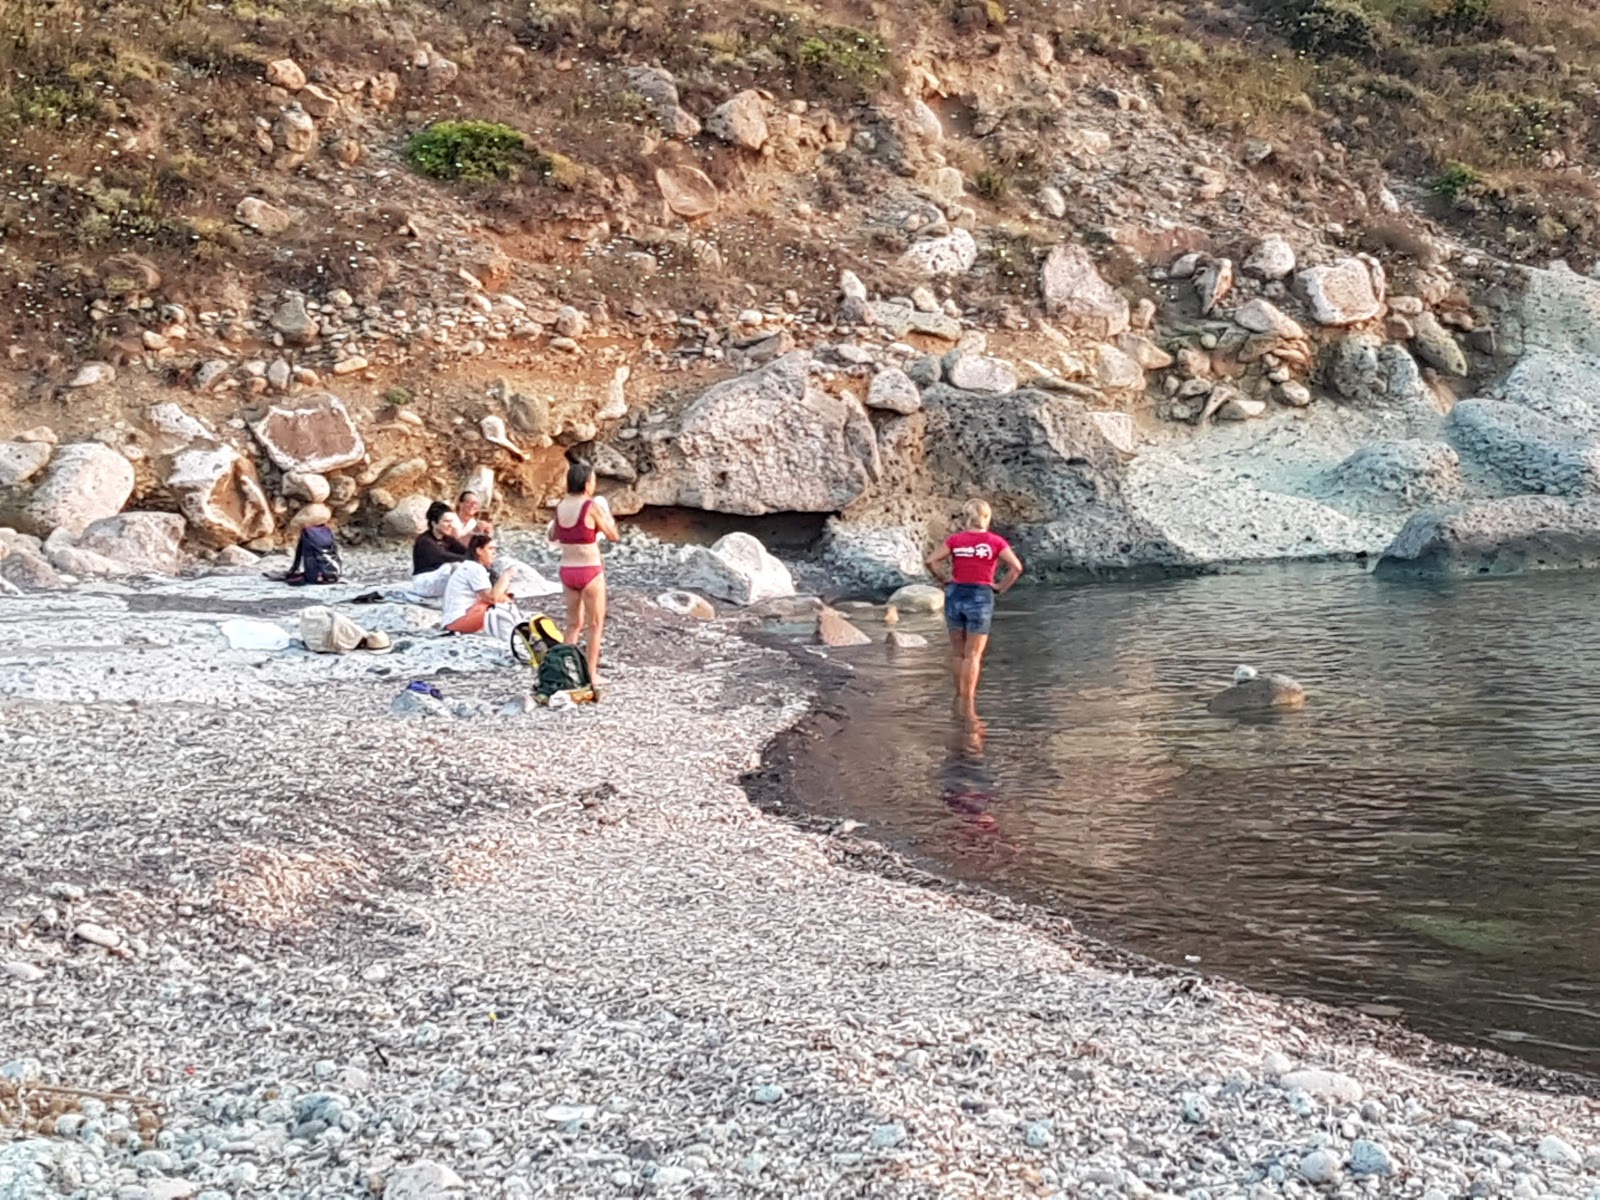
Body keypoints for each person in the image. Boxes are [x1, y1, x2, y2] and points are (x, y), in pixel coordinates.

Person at [924, 498, 1023, 719]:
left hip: (955, 593)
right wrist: (999, 587)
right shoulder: (995, 542)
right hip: (981, 595)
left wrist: (944, 580)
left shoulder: (955, 540)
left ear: (965, 517)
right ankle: (968, 706)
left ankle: (959, 697)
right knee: (974, 655)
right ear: (986, 518)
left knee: (958, 653)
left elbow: (931, 561)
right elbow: (1016, 568)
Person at [549, 460, 619, 685]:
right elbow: (612, 535)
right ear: (588, 483)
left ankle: (563, 671)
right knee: (595, 624)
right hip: (589, 569)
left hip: (567, 569)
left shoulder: (560, 506)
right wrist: (605, 520)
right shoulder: (592, 506)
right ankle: (590, 673)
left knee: (573, 624)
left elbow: (553, 535)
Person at [441, 533, 512, 634]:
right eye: (490, 549)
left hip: (454, 619)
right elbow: (492, 598)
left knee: (503, 599)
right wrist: (507, 575)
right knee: (500, 606)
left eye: (495, 550)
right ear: (479, 550)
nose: (494, 553)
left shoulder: (470, 566)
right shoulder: (474, 567)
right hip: (458, 620)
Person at [411, 502, 468, 599]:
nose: (450, 525)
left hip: (438, 580)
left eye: (451, 521)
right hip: (425, 581)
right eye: (446, 521)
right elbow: (443, 556)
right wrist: (470, 559)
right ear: (434, 523)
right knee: (455, 566)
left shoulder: (447, 539)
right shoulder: (424, 541)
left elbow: (465, 551)